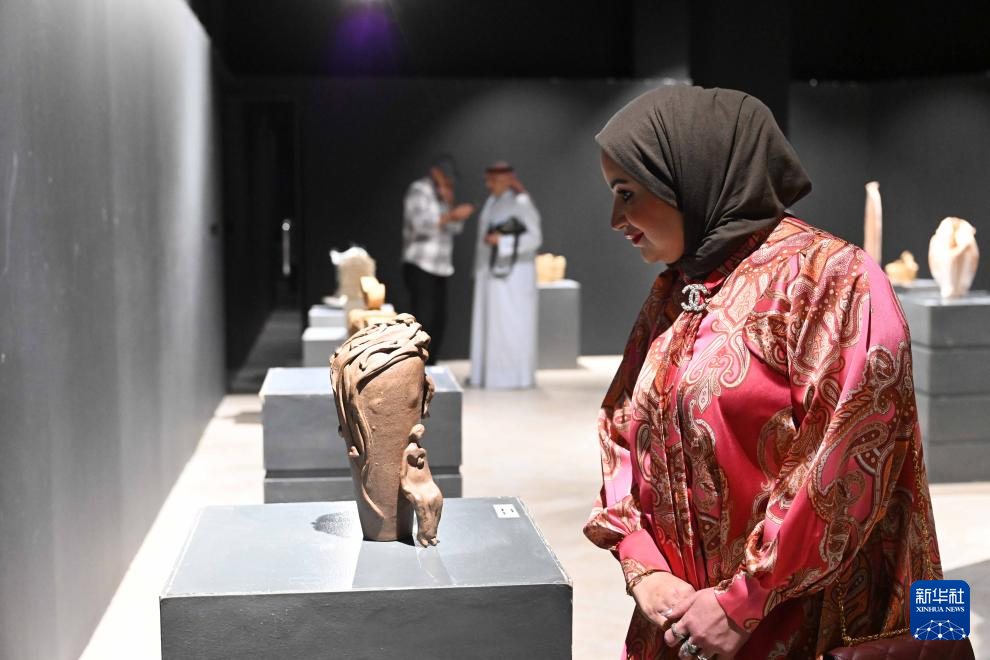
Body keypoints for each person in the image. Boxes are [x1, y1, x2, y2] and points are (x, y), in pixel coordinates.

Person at [582, 86, 942, 659]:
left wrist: (742, 601)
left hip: (796, 627)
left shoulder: (830, 278)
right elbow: (623, 428)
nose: (614, 219)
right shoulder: (679, 290)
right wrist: (642, 565)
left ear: (691, 175)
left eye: (627, 192)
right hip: (680, 629)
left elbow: (842, 461)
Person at [469, 162, 542, 388]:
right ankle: (487, 376)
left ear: (505, 180)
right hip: (491, 274)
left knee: (512, 325)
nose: (488, 184)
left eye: (492, 180)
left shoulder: (521, 202)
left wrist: (503, 241)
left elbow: (534, 238)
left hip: (514, 277)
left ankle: (512, 378)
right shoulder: (492, 201)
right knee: (491, 326)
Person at [402, 156, 475, 365]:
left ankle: (431, 363)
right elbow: (419, 226)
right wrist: (451, 216)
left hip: (441, 267)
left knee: (439, 319)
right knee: (423, 319)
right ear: (435, 172)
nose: (450, 181)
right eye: (446, 176)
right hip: (420, 263)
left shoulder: (444, 196)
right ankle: (416, 364)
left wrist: (452, 209)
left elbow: (454, 228)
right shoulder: (420, 190)